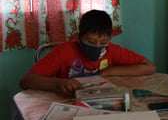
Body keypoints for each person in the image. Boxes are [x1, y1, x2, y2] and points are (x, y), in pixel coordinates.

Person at [20, 10, 156, 95]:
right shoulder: (64, 51)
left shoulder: (113, 50)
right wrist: (60, 83)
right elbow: (26, 80)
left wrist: (110, 71)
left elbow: (150, 67)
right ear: (79, 37)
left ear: (109, 39)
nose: (97, 46)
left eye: (103, 43)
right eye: (91, 42)